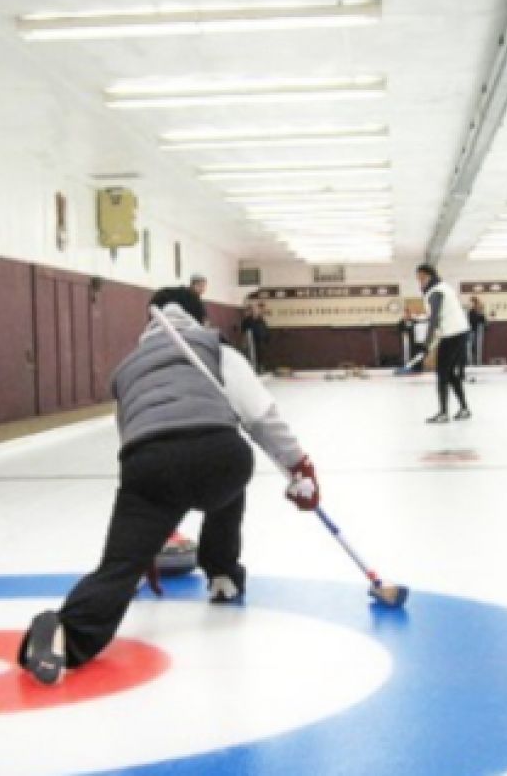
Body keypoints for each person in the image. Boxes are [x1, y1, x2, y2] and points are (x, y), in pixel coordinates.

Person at [18, 287, 321, 686]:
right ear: (202, 318)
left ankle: (66, 632)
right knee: (228, 481)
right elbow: (261, 415)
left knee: (118, 567)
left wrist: (144, 541)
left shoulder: (128, 368)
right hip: (220, 456)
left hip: (149, 466)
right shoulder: (216, 348)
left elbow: (131, 436)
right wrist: (300, 467)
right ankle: (223, 574)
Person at [416, 263, 470, 422]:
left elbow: (433, 319)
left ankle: (443, 413)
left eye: (421, 278)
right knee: (450, 373)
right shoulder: (444, 287)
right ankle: (464, 409)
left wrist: (426, 344)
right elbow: (440, 318)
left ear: (429, 276)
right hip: (460, 332)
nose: (420, 281)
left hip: (452, 334)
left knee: (442, 373)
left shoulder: (435, 292)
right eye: (418, 278)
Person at [241, 300, 269, 373]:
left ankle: (260, 367)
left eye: (256, 309)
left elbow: (264, 330)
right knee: (252, 354)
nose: (255, 311)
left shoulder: (261, 320)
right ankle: (253, 369)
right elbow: (244, 331)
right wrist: (244, 341)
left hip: (261, 340)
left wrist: (266, 339)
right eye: (253, 310)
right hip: (252, 340)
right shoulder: (247, 320)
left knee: (261, 354)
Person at [466, 297, 487, 366]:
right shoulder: (470, 312)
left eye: (473, 303)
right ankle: (470, 362)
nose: (472, 305)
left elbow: (484, 321)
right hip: (470, 331)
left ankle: (478, 362)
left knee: (478, 347)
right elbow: (471, 320)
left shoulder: (479, 312)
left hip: (478, 331)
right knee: (469, 347)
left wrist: (480, 314)